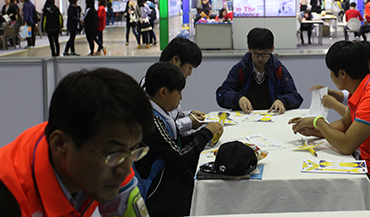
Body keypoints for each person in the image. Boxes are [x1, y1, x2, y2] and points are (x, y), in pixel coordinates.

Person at [0, 68, 154, 217]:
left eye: (133, 150)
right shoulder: (10, 196)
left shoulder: (116, 159)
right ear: (60, 144)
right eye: (114, 153)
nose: (126, 170)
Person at [289, 41, 370, 216]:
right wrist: (314, 130)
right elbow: (344, 125)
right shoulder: (361, 89)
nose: (329, 76)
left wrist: (318, 122)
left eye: (331, 71)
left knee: (336, 206)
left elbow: (346, 145)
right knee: (327, 195)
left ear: (342, 74)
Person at [135, 62, 223, 217]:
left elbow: (175, 141)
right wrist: (206, 134)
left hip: (168, 184)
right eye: (179, 93)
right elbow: (177, 157)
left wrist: (203, 134)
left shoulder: (160, 113)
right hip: (159, 194)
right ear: (163, 92)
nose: (181, 97)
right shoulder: (150, 121)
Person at [216, 27, 303, 114]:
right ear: (249, 48)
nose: (260, 58)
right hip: (245, 118)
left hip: (272, 118)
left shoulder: (278, 70)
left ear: (272, 49)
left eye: (265, 54)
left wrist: (282, 101)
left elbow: (295, 97)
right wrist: (238, 99)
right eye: (256, 54)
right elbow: (221, 94)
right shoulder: (241, 69)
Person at [314, 41, 370, 116]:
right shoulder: (369, 80)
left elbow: (359, 117)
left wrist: (334, 105)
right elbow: (349, 95)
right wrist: (331, 93)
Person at [157, 37, 208, 135]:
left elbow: (174, 115)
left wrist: (190, 114)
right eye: (189, 67)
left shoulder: (169, 81)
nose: (189, 74)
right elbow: (163, 128)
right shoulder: (154, 83)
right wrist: (189, 122)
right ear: (176, 60)